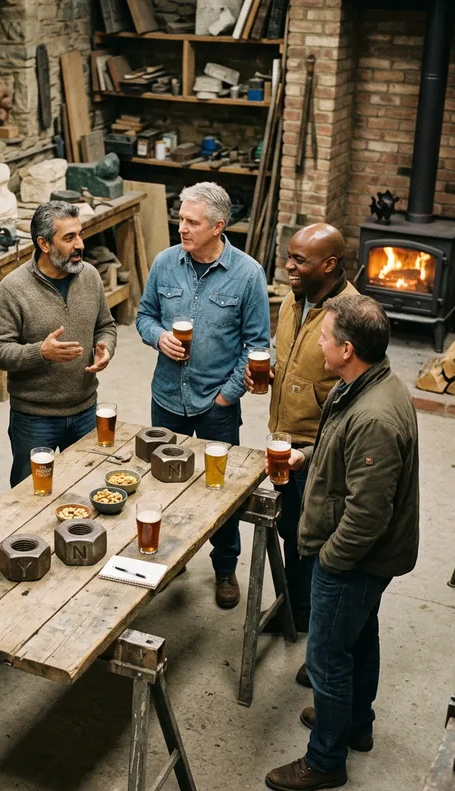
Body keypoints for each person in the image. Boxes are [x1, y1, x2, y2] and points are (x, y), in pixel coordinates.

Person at [265, 295, 419, 791]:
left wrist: (329, 563)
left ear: (347, 349)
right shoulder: (364, 385)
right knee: (360, 636)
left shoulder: (374, 416)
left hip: (356, 560)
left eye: (325, 337)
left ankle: (326, 760)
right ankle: (354, 723)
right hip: (364, 559)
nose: (319, 343)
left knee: (327, 658)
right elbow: (343, 450)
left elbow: (367, 515)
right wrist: (307, 458)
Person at [136, 182, 270, 609]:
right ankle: (168, 559)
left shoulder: (248, 274)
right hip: (166, 398)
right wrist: (158, 337)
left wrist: (227, 397)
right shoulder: (165, 263)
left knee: (219, 491)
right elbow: (144, 316)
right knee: (162, 484)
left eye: (193, 222)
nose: (182, 228)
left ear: (218, 226)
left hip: (216, 403)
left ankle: (225, 567)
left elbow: (257, 346)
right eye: (181, 219)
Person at [244, 223, 358, 642]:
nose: (287, 266)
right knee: (290, 529)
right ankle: (296, 609)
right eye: (288, 256)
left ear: (329, 264)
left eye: (299, 260)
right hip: (283, 439)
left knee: (315, 539)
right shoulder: (295, 300)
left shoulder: (351, 315)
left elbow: (356, 388)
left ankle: (315, 624)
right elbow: (289, 356)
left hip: (319, 449)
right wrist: (271, 372)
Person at [0, 201, 117, 486]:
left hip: (85, 409)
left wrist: (105, 346)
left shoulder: (90, 276)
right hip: (35, 418)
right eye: (69, 238)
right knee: (30, 494)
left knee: (87, 487)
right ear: (44, 244)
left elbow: (106, 325)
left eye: (79, 234)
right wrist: (40, 352)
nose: (80, 244)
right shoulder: (13, 288)